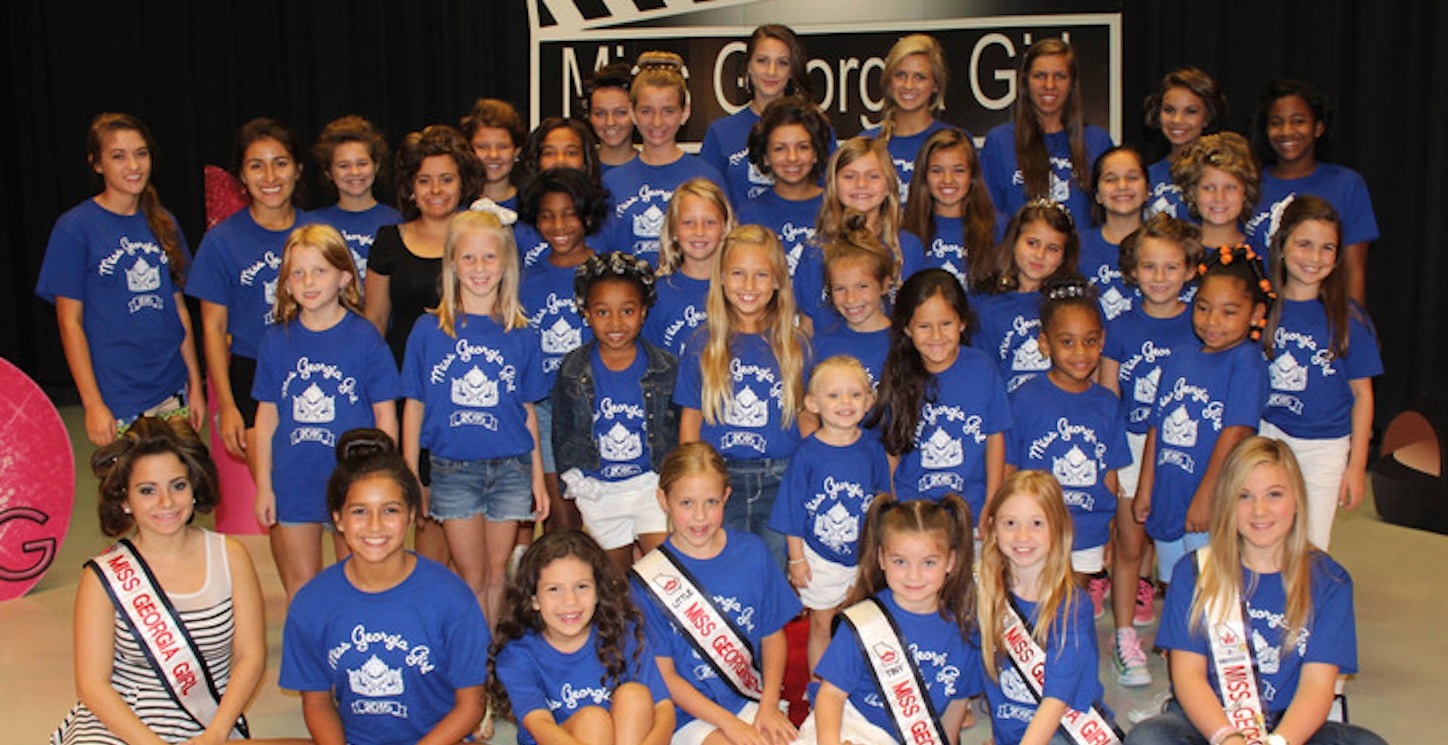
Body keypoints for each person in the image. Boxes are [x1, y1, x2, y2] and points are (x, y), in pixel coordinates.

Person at [1125, 437, 1387, 745]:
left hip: (1292, 728)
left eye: (1274, 494)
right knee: (1148, 738)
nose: (1259, 510)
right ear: (1226, 502)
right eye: (1244, 496)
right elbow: (1187, 677)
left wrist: (1279, 742)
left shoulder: (1330, 581)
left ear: (1298, 499)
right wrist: (1228, 738)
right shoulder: (1193, 573)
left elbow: (1318, 686)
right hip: (1209, 724)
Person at [53, 417, 264, 745]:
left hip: (208, 725)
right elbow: (93, 685)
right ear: (125, 500)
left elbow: (251, 656)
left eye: (178, 486)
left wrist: (218, 732)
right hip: (120, 729)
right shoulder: (103, 577)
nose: (166, 502)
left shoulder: (231, 557)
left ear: (194, 486)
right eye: (148, 490)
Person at [280, 428, 490, 745]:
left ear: (410, 515)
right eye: (359, 511)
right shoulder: (312, 603)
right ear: (337, 519)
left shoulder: (451, 598)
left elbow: (471, 704)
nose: (375, 525)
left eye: (390, 510)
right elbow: (318, 703)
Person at [400, 211, 549, 625]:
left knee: (499, 573)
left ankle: (497, 664)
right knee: (472, 574)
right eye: (469, 258)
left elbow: (526, 411)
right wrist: (411, 473)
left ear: (505, 265)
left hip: (511, 469)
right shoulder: (429, 330)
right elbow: (413, 405)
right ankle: (473, 665)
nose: (480, 268)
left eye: (489, 258)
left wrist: (537, 477)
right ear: (451, 263)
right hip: (453, 470)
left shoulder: (521, 332)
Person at [36, 113, 204, 447]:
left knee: (181, 490)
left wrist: (196, 386)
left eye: (141, 153)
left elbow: (179, 309)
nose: (134, 165)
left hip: (172, 391)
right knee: (129, 494)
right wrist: (93, 403)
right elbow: (70, 324)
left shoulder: (163, 222)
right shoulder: (75, 229)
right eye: (118, 156)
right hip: (118, 399)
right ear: (96, 164)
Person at [252, 224, 401, 599]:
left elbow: (386, 417)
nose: (308, 281)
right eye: (298, 273)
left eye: (320, 271)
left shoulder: (365, 337)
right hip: (293, 480)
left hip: (352, 479)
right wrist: (264, 486)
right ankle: (308, 653)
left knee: (354, 576)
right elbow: (265, 420)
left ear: (344, 277)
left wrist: (382, 479)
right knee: (301, 582)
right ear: (285, 284)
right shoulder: (275, 340)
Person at [363, 124, 484, 564]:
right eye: (424, 179)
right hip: (406, 389)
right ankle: (429, 596)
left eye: (446, 178)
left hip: (468, 393)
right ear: (410, 187)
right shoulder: (388, 242)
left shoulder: (481, 239)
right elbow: (373, 323)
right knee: (425, 505)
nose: (436, 189)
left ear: (464, 183)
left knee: (469, 504)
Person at [630, 442, 802, 745]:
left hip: (749, 697)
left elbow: (773, 635)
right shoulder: (648, 580)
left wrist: (770, 704)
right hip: (686, 713)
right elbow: (666, 677)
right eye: (686, 503)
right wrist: (729, 725)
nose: (700, 517)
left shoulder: (753, 552)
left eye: (711, 502)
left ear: (726, 496)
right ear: (663, 500)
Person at [1098, 214, 1203, 687]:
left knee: (1186, 552)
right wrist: (1112, 459)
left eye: (1171, 267)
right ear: (1133, 271)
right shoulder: (1119, 327)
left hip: (1185, 446)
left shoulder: (1199, 324)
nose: (1160, 278)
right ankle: (1124, 638)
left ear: (1189, 270)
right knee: (1129, 544)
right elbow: (1107, 399)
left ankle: (1188, 641)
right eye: (1149, 267)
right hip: (1132, 445)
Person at [675, 225, 813, 569]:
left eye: (761, 275)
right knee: (720, 572)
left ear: (779, 280)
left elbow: (806, 416)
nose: (749, 286)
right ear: (721, 278)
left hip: (781, 479)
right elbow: (691, 419)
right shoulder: (701, 344)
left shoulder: (797, 347)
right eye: (738, 273)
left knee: (773, 576)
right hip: (720, 480)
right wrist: (692, 482)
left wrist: (815, 467)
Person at [1134, 245, 1272, 589]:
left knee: (1207, 586)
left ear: (1255, 314)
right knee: (1171, 581)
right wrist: (1145, 487)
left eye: (1229, 312)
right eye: (1204, 308)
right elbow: (1157, 429)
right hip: (1169, 494)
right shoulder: (1179, 358)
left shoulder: (1246, 362)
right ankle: (1175, 642)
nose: (1212, 322)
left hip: (1209, 500)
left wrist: (1206, 496)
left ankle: (1199, 644)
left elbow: (1236, 433)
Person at [804, 494, 982, 745]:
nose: (914, 575)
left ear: (951, 561)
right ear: (881, 558)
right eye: (900, 561)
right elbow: (830, 695)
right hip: (849, 724)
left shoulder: (965, 631)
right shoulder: (865, 620)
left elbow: (956, 706)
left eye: (929, 562)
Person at [1260, 196, 1381, 550]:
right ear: (1282, 246)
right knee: (1263, 529)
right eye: (1305, 244)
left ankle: (1304, 603)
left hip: (1324, 447)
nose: (1315, 258)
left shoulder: (1349, 320)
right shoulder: (1261, 309)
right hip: (1268, 435)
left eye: (1327, 248)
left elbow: (1363, 395)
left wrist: (1356, 467)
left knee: (1311, 542)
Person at [1005, 277, 1129, 621]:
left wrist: (1110, 534)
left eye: (1090, 342)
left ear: (1102, 341)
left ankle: (1066, 670)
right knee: (1028, 610)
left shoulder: (1107, 403)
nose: (1080, 353)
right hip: (1032, 531)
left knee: (1070, 613)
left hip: (1087, 531)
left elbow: (1110, 476)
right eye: (1067, 342)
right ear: (1045, 344)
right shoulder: (1025, 399)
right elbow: (1008, 470)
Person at [187, 117, 310, 465]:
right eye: (256, 166)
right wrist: (226, 405)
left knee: (328, 494)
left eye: (281, 163)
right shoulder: (221, 242)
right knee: (274, 497)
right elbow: (212, 328)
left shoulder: (319, 232)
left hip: (317, 367)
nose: (270, 177)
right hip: (252, 374)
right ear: (241, 175)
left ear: (298, 169)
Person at [553, 252, 679, 575]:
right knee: (614, 582)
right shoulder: (573, 368)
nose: (615, 323)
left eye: (627, 311)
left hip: (651, 485)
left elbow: (677, 426)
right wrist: (573, 477)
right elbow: (562, 430)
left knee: (665, 574)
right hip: (600, 492)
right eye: (602, 312)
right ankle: (624, 627)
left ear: (643, 312)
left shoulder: (664, 367)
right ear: (586, 314)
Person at [490, 530, 675, 745]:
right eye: (554, 589)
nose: (570, 601)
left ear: (598, 592)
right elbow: (540, 723)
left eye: (581, 587)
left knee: (635, 695)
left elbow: (664, 710)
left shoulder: (622, 632)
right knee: (592, 720)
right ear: (534, 599)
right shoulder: (518, 653)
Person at [767, 356, 890, 671]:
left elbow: (882, 505)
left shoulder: (872, 449)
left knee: (860, 619)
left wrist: (878, 553)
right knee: (822, 622)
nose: (845, 402)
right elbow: (791, 510)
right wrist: (796, 559)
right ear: (813, 403)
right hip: (818, 555)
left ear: (869, 401)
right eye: (834, 395)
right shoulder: (807, 453)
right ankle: (818, 686)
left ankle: (855, 681)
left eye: (855, 394)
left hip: (862, 553)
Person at [978, 471, 1119, 745]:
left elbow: (1055, 702)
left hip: (1067, 733)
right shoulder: (985, 596)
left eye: (1037, 523)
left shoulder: (1073, 607)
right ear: (993, 527)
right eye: (1010, 523)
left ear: (1059, 527)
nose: (1022, 536)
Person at [869, 269, 1012, 514]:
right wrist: (892, 507)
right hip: (914, 512)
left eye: (946, 324)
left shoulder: (982, 368)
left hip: (971, 511)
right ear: (907, 328)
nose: (936, 336)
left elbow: (995, 438)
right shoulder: (898, 374)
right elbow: (891, 450)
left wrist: (993, 500)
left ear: (962, 322)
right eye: (924, 326)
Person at [519, 167, 613, 531]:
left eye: (569, 214)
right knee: (561, 519)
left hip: (601, 403)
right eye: (547, 216)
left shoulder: (608, 271)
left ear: (587, 216)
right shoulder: (527, 280)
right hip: (545, 406)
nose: (558, 225)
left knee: (608, 521)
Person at [1246, 79, 1378, 306]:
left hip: (1321, 320)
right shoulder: (1249, 184)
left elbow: (1354, 270)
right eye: (1277, 123)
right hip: (1255, 320)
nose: (1287, 131)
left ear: (1318, 127)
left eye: (1298, 121)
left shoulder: (1346, 184)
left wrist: (1354, 328)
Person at [603, 51, 724, 267]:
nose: (657, 122)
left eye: (668, 111)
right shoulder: (612, 182)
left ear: (685, 112)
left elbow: (725, 249)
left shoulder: (706, 176)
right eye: (646, 111)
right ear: (632, 112)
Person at [981, 38, 1114, 229]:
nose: (1049, 85)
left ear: (1072, 84)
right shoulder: (1000, 142)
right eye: (1040, 75)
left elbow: (1111, 219)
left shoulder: (1097, 141)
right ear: (1025, 81)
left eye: (1059, 76)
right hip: (1020, 258)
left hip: (1082, 258)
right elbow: (988, 218)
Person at [809, 136, 926, 327]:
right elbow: (808, 324)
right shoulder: (815, 250)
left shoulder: (908, 247)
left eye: (873, 176)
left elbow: (917, 318)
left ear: (889, 185)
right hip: (832, 355)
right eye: (849, 176)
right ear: (833, 185)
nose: (861, 184)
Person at [737, 96, 832, 321]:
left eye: (803, 147)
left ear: (816, 152)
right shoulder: (747, 215)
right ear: (766, 157)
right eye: (780, 148)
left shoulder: (837, 209)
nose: (792, 158)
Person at [971, 199, 1081, 393]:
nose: (1039, 255)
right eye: (1032, 243)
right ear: (1014, 241)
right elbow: (984, 377)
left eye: (1052, 248)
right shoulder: (990, 309)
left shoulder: (1073, 306)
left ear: (1065, 255)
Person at [701, 24, 815, 205]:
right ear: (748, 66)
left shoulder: (814, 128)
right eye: (762, 60)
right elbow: (707, 201)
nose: (771, 71)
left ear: (792, 70)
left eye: (782, 62)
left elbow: (829, 197)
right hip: (740, 232)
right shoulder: (720, 132)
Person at [861, 34, 960, 201]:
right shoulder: (867, 142)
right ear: (889, 81)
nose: (908, 85)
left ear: (935, 84)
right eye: (900, 75)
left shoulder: (957, 143)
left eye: (920, 77)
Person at [644, 178, 734, 355]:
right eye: (688, 223)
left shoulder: (739, 288)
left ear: (725, 227)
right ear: (674, 230)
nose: (699, 232)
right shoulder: (657, 293)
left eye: (709, 222)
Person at [901, 127, 999, 290]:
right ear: (924, 175)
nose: (948, 180)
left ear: (972, 175)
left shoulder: (997, 227)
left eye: (958, 170)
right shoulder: (906, 228)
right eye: (937, 170)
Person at [309, 115, 402, 284]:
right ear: (328, 172)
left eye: (362, 163)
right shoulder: (311, 224)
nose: (354, 172)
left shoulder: (397, 222)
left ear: (377, 165)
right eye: (344, 166)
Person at [513, 117, 606, 271]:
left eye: (571, 153)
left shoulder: (607, 222)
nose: (560, 161)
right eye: (549, 153)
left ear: (586, 160)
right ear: (536, 160)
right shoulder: (519, 225)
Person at [1142, 68, 1229, 220]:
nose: (1177, 120)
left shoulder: (1224, 172)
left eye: (1190, 111)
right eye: (1169, 110)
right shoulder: (1146, 176)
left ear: (1208, 117)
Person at [811, 235, 894, 384]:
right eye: (840, 288)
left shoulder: (903, 342)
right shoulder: (820, 344)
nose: (851, 299)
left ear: (884, 285)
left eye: (862, 286)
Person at [1080, 145, 1150, 321]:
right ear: (1097, 194)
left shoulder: (1167, 245)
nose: (1122, 186)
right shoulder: (1077, 247)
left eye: (1132, 177)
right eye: (1111, 179)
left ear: (1148, 190)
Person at [1172, 132, 1264, 260]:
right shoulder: (1176, 253)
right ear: (1192, 192)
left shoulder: (1260, 255)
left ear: (1245, 192)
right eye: (1209, 188)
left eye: (1230, 188)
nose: (1219, 198)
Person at [461, 98, 526, 210]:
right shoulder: (455, 205)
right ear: (469, 150)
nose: (493, 155)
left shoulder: (530, 206)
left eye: (502, 147)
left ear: (516, 151)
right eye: (482, 147)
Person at [584, 63, 639, 173]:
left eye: (620, 113)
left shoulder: (653, 168)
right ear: (589, 116)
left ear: (636, 114)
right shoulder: (581, 171)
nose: (610, 122)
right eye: (600, 113)